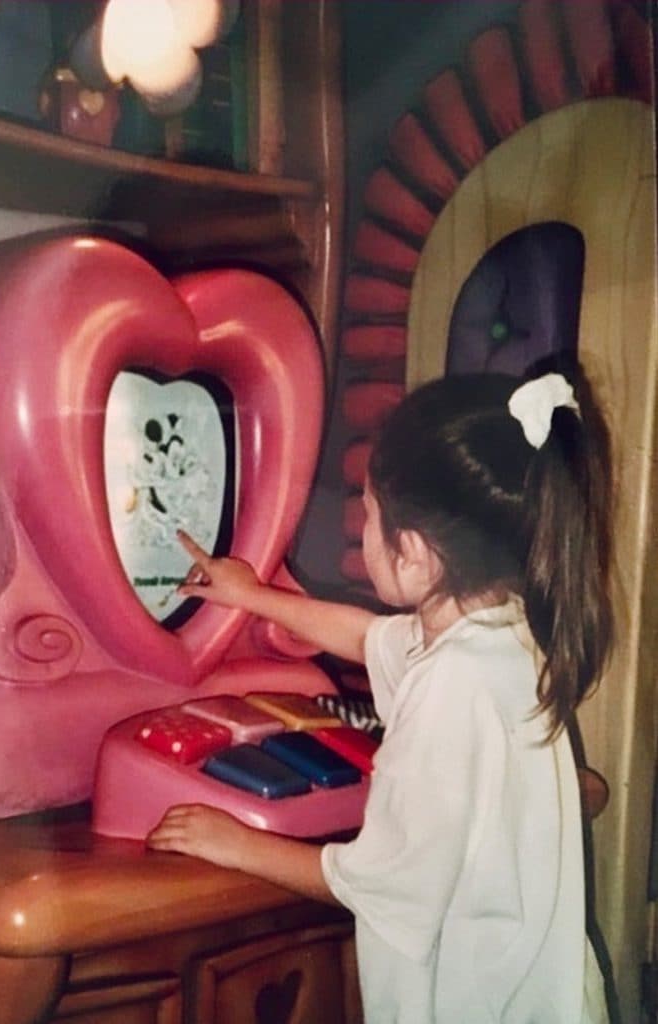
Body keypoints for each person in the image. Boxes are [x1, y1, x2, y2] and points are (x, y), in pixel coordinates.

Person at [147, 365, 613, 1023]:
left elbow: (384, 883)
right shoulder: (493, 631)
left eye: (368, 514)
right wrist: (250, 594)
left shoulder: (453, 684)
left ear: (416, 553)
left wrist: (235, 844)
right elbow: (367, 636)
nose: (362, 530)